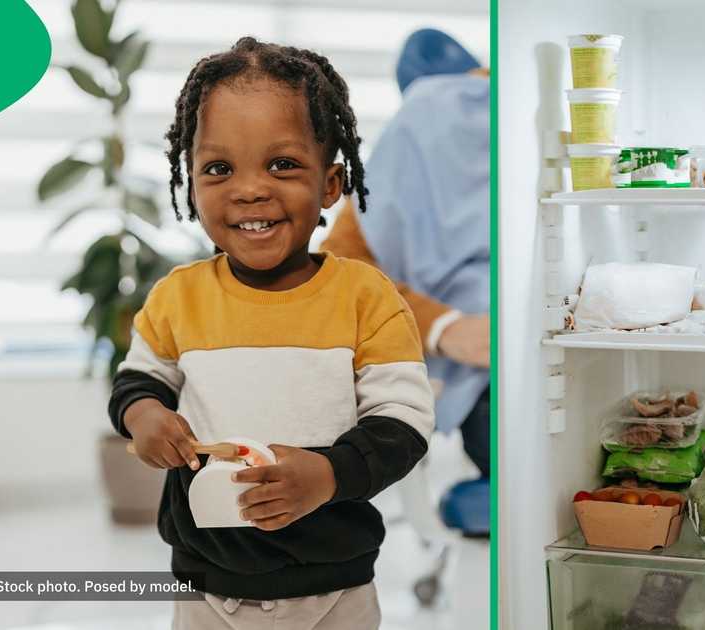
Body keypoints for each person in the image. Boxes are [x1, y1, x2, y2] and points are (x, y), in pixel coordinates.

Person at [106, 37, 434, 629]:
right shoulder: (177, 297)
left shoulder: (366, 298)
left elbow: (403, 423)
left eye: (281, 164)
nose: (249, 188)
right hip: (206, 584)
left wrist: (328, 475)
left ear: (331, 184)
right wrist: (144, 416)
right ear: (191, 182)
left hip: (337, 584)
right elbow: (139, 380)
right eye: (219, 168)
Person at [322, 29, 490, 484]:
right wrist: (444, 326)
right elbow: (341, 276)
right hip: (473, 364)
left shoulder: (407, 137)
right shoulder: (394, 166)